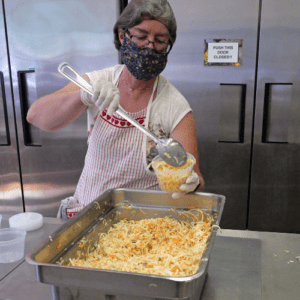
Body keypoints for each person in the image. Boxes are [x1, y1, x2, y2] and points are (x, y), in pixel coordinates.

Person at [26, 0, 204, 219]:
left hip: (143, 224)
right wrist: (84, 95)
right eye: (141, 36)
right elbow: (36, 116)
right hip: (88, 213)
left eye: (160, 41)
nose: (149, 47)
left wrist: (191, 183)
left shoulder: (174, 106)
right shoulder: (97, 81)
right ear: (122, 36)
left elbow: (193, 175)